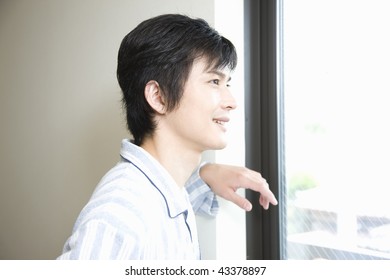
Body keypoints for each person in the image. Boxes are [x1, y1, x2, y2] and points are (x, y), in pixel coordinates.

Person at [57, 14, 277, 260]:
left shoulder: (162, 190)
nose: (231, 102)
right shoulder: (120, 212)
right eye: (214, 81)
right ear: (158, 97)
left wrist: (205, 175)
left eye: (228, 84)